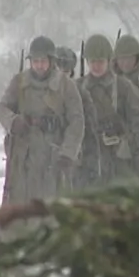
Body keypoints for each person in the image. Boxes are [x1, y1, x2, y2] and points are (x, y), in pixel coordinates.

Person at [0, 36, 85, 205]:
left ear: (51, 61)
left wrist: (68, 153)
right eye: (35, 61)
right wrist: (13, 122)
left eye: (43, 61)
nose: (39, 65)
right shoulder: (19, 82)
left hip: (52, 158)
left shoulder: (66, 86)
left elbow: (76, 121)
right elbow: (2, 107)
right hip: (23, 159)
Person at [77, 34, 139, 182]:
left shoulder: (123, 87)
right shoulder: (77, 88)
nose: (96, 66)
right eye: (92, 61)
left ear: (109, 60)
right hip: (87, 159)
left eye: (100, 61)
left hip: (117, 160)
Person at [55, 46, 101, 189]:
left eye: (66, 71)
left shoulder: (82, 96)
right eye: (58, 70)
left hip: (74, 162)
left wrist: (91, 167)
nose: (62, 76)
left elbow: (91, 134)